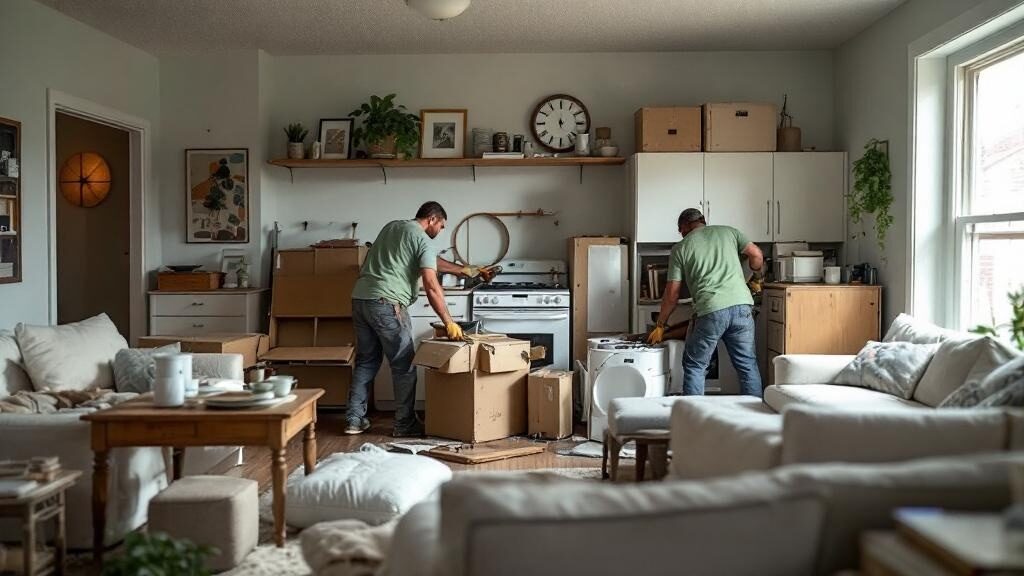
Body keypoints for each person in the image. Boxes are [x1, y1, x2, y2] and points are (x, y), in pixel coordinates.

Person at [346, 201, 492, 436]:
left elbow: (431, 261)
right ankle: (404, 424)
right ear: (432, 219)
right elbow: (432, 286)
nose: (441, 231)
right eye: (442, 226)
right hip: (388, 304)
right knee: (403, 365)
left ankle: (354, 419)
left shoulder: (393, 227)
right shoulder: (422, 239)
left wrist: (467, 270)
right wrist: (449, 321)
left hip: (361, 299)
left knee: (366, 361)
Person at [647, 208, 764, 397]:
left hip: (711, 310)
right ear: (703, 220)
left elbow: (672, 294)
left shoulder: (680, 248)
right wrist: (757, 277)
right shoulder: (729, 232)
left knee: (695, 365)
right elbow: (757, 255)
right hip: (743, 306)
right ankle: (758, 420)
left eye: (680, 231)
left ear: (684, 227)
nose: (682, 234)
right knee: (747, 365)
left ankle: (695, 420)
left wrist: (661, 324)